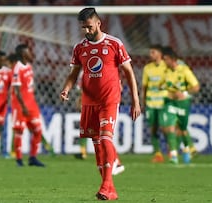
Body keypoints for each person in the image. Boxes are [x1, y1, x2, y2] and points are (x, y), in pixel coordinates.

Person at [60, 7, 141, 200]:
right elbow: (74, 74)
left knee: (105, 138)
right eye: (83, 28)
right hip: (89, 101)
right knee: (97, 145)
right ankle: (109, 188)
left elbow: (129, 72)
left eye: (89, 27)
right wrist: (67, 88)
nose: (86, 31)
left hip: (109, 99)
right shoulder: (80, 47)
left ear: (98, 23)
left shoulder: (114, 43)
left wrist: (136, 100)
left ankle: (106, 185)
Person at [161, 47, 200, 164]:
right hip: (169, 102)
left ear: (172, 59)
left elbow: (196, 87)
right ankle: (173, 154)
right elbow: (162, 84)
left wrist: (184, 93)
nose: (164, 62)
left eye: (166, 59)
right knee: (170, 126)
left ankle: (188, 149)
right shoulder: (166, 71)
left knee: (182, 129)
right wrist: (165, 90)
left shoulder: (184, 70)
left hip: (182, 103)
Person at [11, 44, 46, 167]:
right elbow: (16, 90)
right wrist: (24, 107)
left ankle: (32, 157)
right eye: (28, 51)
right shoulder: (17, 68)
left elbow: (30, 86)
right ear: (23, 54)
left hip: (32, 104)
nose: (30, 53)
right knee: (19, 131)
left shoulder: (29, 66)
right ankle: (19, 160)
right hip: (20, 106)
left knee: (37, 130)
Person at [141, 44, 168, 163]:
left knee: (166, 128)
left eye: (153, 52)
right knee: (153, 128)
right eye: (150, 52)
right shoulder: (147, 68)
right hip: (151, 103)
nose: (150, 54)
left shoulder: (167, 66)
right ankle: (158, 153)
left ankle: (172, 150)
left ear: (160, 54)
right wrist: (142, 102)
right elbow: (144, 86)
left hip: (164, 102)